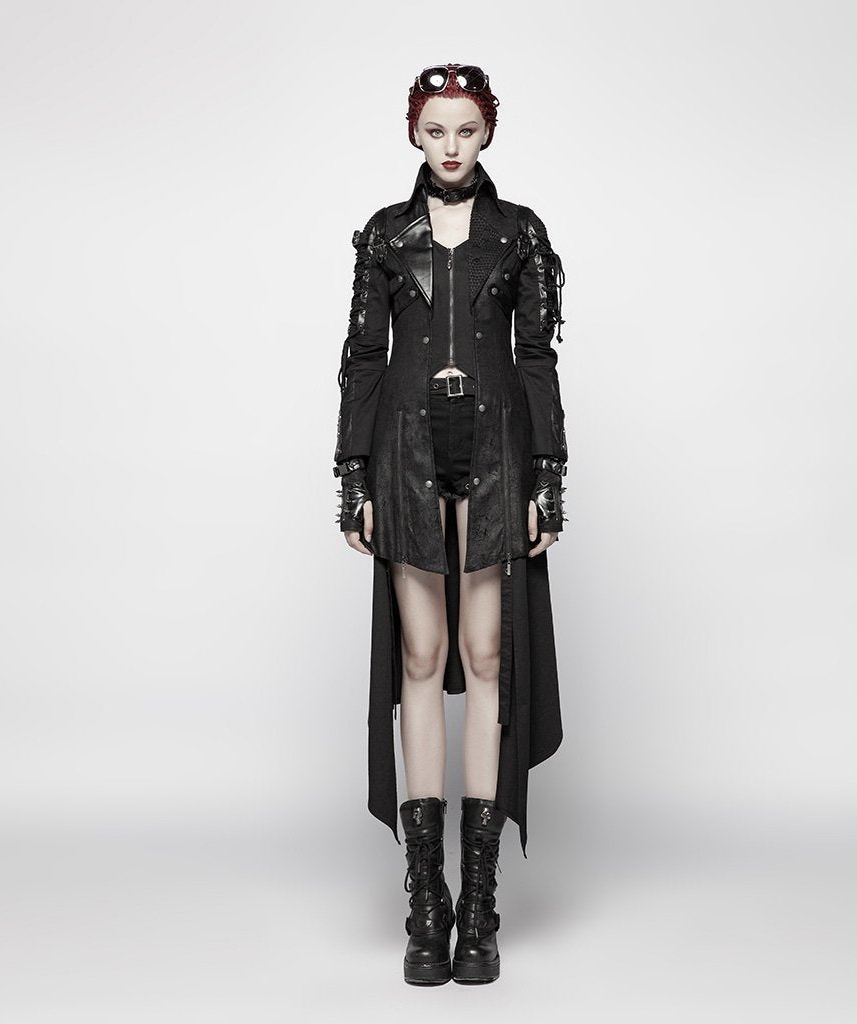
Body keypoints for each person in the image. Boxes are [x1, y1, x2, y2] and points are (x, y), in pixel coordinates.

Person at [332, 63, 568, 986]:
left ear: (488, 132)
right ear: (414, 134)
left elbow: (536, 357)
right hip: (406, 446)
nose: (451, 146)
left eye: (466, 129)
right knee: (422, 656)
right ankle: (426, 901)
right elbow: (362, 357)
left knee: (487, 653)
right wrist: (353, 473)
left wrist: (549, 474)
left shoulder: (519, 233)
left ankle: (481, 904)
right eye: (436, 130)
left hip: (498, 446)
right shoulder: (385, 235)